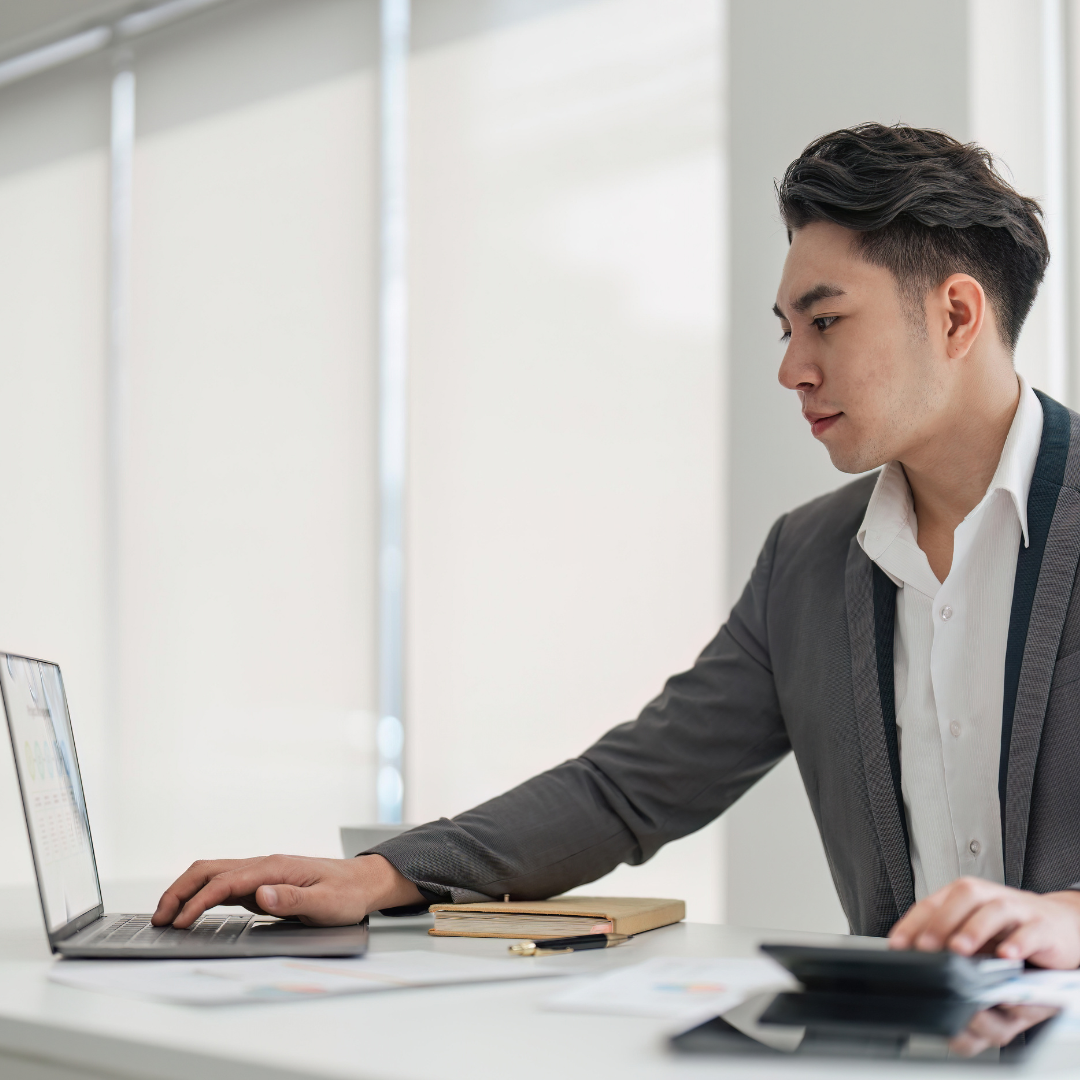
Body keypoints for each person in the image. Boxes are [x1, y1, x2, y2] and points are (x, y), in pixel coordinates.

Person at [152, 124, 1080, 969]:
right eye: (787, 329)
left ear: (957, 316)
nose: (793, 368)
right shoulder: (808, 559)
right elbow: (627, 789)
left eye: (826, 321)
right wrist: (384, 874)